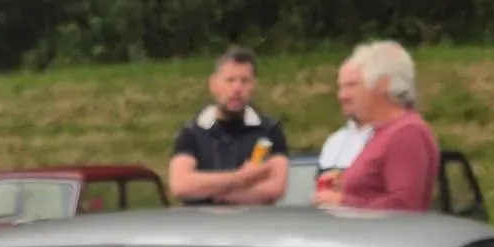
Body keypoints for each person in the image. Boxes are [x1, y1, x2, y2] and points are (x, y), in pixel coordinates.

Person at [318, 43, 439, 212]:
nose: (342, 96)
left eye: (353, 85)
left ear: (382, 84)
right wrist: (345, 185)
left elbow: (405, 207)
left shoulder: (407, 134)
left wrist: (343, 202)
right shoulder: (384, 131)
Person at [168, 49, 289, 206]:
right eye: (230, 80)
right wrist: (242, 178)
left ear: (253, 85)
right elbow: (181, 185)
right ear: (213, 84)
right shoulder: (192, 132)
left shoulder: (270, 130)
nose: (237, 88)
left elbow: (274, 188)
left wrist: (217, 195)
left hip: (252, 225)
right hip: (201, 227)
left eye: (245, 81)